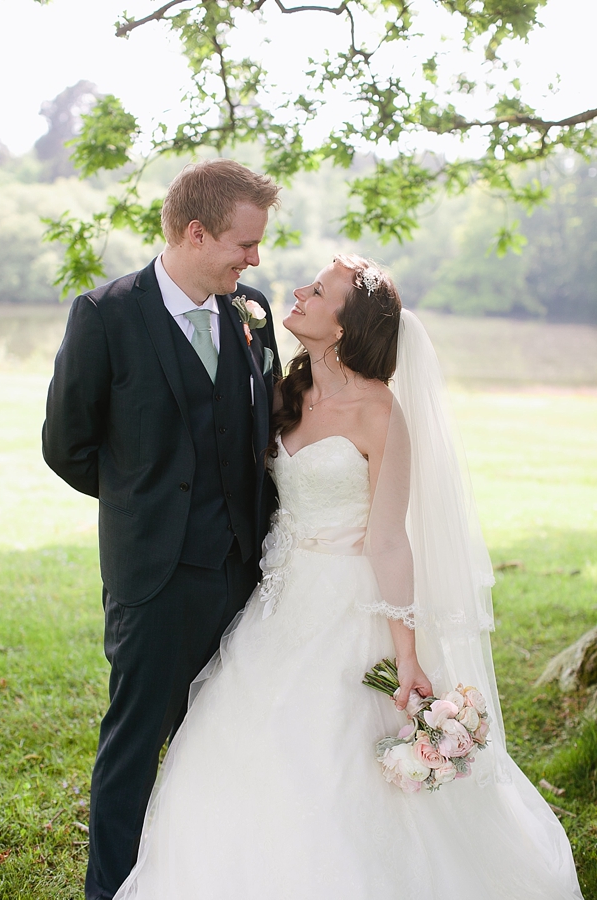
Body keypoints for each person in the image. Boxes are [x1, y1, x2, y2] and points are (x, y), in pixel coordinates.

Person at [113, 255, 582, 900]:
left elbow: (390, 540)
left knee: (331, 760)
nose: (298, 293)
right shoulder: (283, 389)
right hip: (276, 597)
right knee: (239, 743)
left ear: (345, 325)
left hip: (346, 603)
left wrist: (408, 653)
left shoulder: (379, 413)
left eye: (318, 291)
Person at [42, 158, 281, 900]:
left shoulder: (253, 310)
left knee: (224, 743)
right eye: (244, 244)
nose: (255, 259)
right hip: (155, 579)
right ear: (196, 231)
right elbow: (66, 446)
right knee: (136, 745)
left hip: (247, 574)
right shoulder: (106, 314)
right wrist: (145, 506)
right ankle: (112, 890)